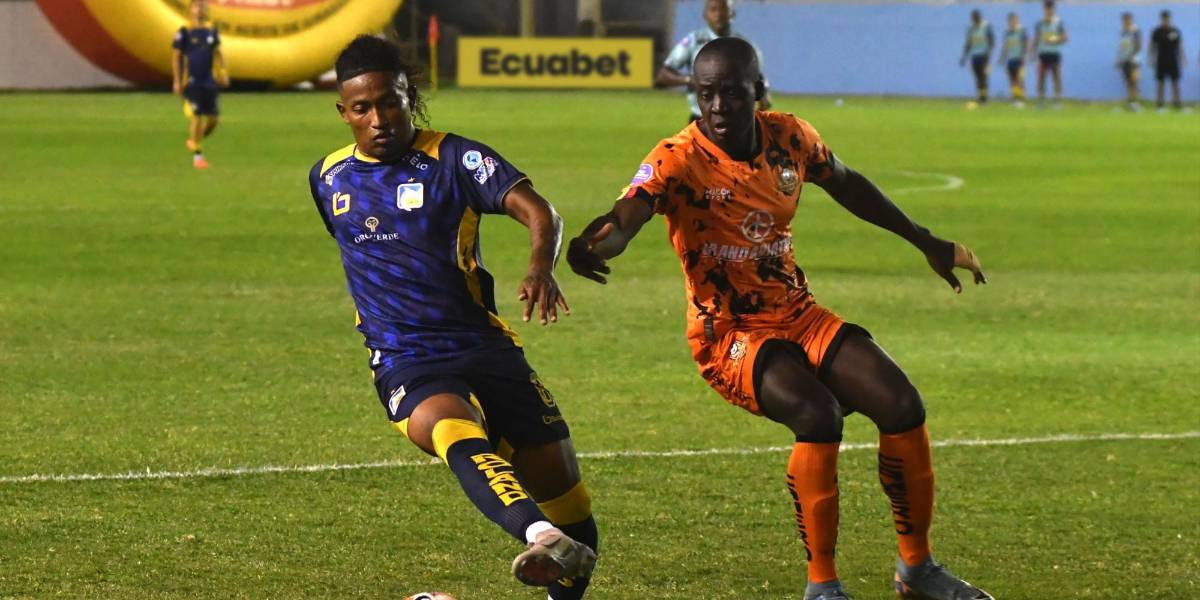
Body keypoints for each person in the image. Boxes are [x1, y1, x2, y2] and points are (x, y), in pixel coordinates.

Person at [567, 37, 992, 600]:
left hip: (798, 314)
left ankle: (917, 571)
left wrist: (926, 241)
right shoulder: (677, 157)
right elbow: (628, 214)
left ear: (758, 92)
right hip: (728, 333)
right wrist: (596, 244)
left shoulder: (791, 137)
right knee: (819, 416)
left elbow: (848, 184)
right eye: (706, 94)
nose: (717, 107)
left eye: (731, 93)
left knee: (901, 404)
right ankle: (823, 586)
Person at [309, 35, 597, 598]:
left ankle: (557, 540)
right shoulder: (327, 178)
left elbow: (540, 211)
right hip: (406, 358)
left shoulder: (456, 159)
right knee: (456, 433)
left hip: (485, 347)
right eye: (362, 108)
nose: (378, 119)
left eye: (390, 102)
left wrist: (540, 267)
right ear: (344, 111)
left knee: (574, 510)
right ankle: (539, 535)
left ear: (409, 97)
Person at [656, 0, 770, 122]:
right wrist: (689, 80)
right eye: (713, 9)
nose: (718, 14)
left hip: (734, 121)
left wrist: (764, 95)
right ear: (705, 15)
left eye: (724, 9)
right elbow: (663, 76)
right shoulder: (694, 41)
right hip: (700, 119)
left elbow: (758, 77)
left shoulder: (743, 45)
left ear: (732, 14)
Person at [171, 0, 228, 169]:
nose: (200, 9)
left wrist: (223, 73)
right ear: (191, 10)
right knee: (197, 116)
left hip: (209, 81)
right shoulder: (185, 31)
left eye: (203, 6)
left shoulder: (211, 32)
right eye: (197, 6)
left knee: (213, 121)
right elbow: (176, 56)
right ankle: (198, 157)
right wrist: (177, 80)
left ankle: (194, 140)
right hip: (191, 82)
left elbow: (218, 54)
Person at [1031, 0, 1067, 108]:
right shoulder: (1039, 23)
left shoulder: (1058, 22)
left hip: (1054, 54)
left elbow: (1065, 37)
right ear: (1044, 9)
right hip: (1043, 55)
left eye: (1051, 9)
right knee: (1041, 78)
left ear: (1054, 9)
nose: (1049, 11)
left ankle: (1057, 102)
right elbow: (1036, 39)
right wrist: (1032, 53)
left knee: (1056, 78)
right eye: (1047, 9)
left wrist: (1054, 39)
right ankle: (1041, 102)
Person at [1150, 10, 1185, 111]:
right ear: (1161, 19)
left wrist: (1182, 58)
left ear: (1169, 19)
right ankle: (1160, 104)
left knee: (1175, 82)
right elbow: (1152, 46)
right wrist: (1151, 57)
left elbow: (1180, 46)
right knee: (1160, 82)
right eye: (1163, 19)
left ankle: (1177, 103)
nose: (1165, 20)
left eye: (1167, 19)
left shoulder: (1175, 31)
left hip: (1173, 60)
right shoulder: (1157, 31)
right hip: (1161, 60)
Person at [959, 10, 994, 105]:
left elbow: (991, 41)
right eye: (973, 19)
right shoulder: (970, 29)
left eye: (976, 18)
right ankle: (980, 97)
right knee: (977, 78)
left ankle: (984, 98)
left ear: (980, 18)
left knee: (984, 77)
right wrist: (964, 57)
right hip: (974, 56)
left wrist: (988, 54)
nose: (975, 21)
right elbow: (968, 44)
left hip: (984, 56)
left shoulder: (986, 27)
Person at [998, 12, 1028, 106]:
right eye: (1011, 21)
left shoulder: (1021, 31)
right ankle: (1015, 99)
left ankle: (1021, 100)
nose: (1013, 22)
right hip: (1010, 59)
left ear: (1017, 20)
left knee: (1020, 80)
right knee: (1012, 81)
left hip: (1019, 59)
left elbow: (1026, 43)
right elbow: (1005, 46)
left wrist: (1024, 56)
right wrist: (1002, 58)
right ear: (1008, 22)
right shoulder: (1007, 33)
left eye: (1015, 20)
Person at [1116, 12, 1142, 111]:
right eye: (1124, 20)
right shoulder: (1122, 32)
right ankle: (1130, 103)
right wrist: (1119, 59)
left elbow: (1138, 46)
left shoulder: (1135, 31)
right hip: (1124, 60)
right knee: (1127, 82)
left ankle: (1136, 103)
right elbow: (1122, 47)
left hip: (1133, 60)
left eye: (1128, 19)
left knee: (1134, 81)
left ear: (1131, 20)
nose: (1126, 21)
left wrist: (1129, 56)